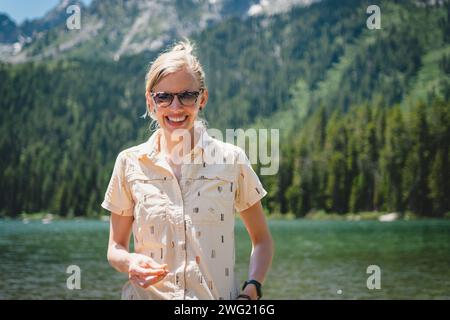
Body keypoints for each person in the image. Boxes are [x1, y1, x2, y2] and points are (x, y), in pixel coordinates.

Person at [102, 39, 273, 300]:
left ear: (202, 98)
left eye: (187, 95)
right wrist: (129, 263)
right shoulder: (129, 163)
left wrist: (251, 291)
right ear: (150, 102)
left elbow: (262, 240)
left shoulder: (232, 160)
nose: (176, 107)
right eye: (164, 97)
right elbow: (115, 248)